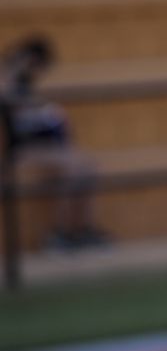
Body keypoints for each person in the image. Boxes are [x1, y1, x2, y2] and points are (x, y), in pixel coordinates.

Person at [0, 36, 109, 251]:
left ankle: (83, 229)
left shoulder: (24, 81)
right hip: (19, 150)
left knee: (86, 164)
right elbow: (9, 100)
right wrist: (15, 65)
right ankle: (58, 234)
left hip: (39, 146)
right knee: (72, 168)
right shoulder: (7, 76)